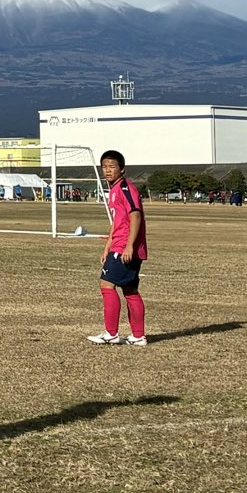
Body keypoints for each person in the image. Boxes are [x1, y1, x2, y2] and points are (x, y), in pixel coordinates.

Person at [87, 149, 148, 347]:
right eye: (104, 166)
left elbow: (135, 215)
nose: (107, 170)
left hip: (124, 246)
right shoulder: (114, 190)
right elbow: (117, 221)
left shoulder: (125, 188)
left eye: (112, 166)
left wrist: (129, 246)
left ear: (122, 169)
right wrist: (107, 246)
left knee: (106, 285)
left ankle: (111, 333)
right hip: (119, 244)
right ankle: (138, 336)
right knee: (130, 289)